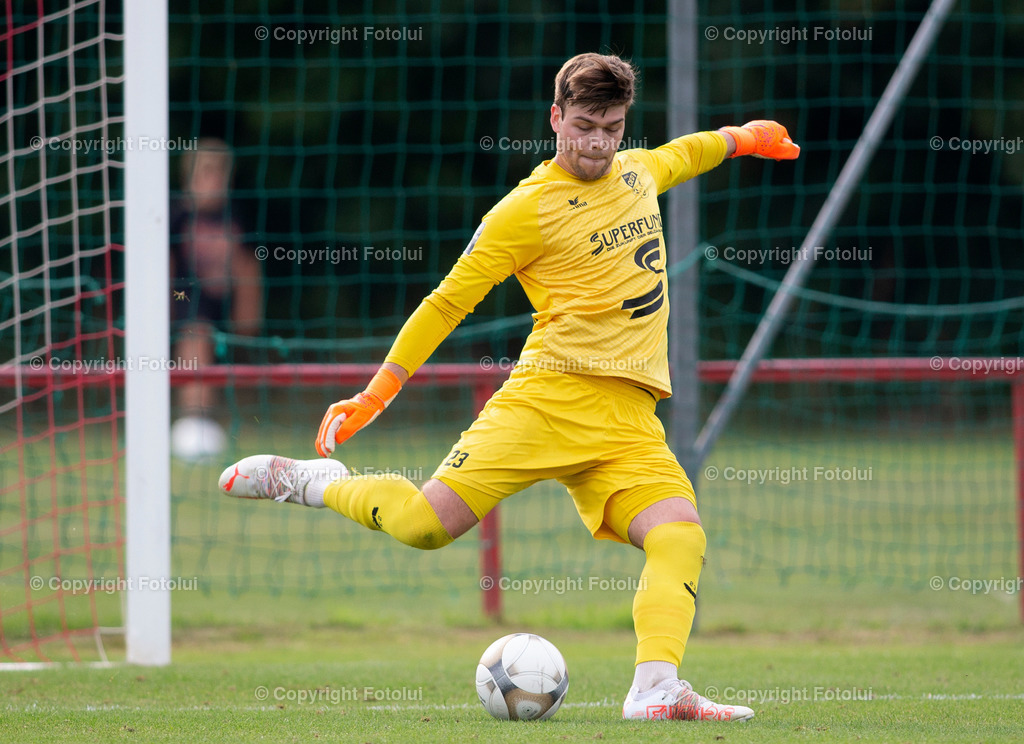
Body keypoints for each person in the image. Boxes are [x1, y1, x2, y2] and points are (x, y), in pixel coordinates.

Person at [219, 53, 798, 721]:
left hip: (628, 420)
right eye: (583, 125)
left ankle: (655, 688)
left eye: (611, 127)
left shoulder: (636, 171)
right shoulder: (524, 211)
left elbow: (685, 153)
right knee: (424, 528)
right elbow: (445, 304)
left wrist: (747, 137)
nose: (598, 142)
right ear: (555, 119)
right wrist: (374, 394)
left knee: (680, 535)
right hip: (544, 403)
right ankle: (313, 481)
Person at [171, 138, 263, 460]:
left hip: (221, 299)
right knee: (197, 335)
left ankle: (211, 420)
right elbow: (163, 266)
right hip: (182, 295)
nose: (214, 181)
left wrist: (247, 317)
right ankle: (194, 420)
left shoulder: (234, 217)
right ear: (190, 177)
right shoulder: (177, 215)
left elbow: (248, 267)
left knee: (218, 348)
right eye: (207, 173)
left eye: (221, 174)